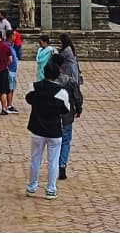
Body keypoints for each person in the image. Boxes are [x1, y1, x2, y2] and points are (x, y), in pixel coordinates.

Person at [25, 61, 70, 200]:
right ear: (57, 75)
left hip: (37, 128)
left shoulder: (34, 87)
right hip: (54, 129)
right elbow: (65, 109)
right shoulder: (61, 92)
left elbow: (29, 99)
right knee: (53, 161)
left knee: (35, 159)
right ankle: (51, 189)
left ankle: (32, 186)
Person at [51, 53, 83, 181]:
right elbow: (77, 97)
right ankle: (62, 164)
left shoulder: (49, 81)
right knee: (65, 142)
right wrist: (79, 109)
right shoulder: (70, 80)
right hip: (67, 115)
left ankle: (54, 166)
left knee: (53, 143)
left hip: (52, 116)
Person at [5, 30, 20, 113]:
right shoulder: (7, 46)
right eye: (14, 35)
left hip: (12, 70)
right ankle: (9, 105)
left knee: (11, 88)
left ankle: (9, 104)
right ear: (11, 36)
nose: (15, 37)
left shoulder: (11, 46)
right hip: (9, 69)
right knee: (9, 88)